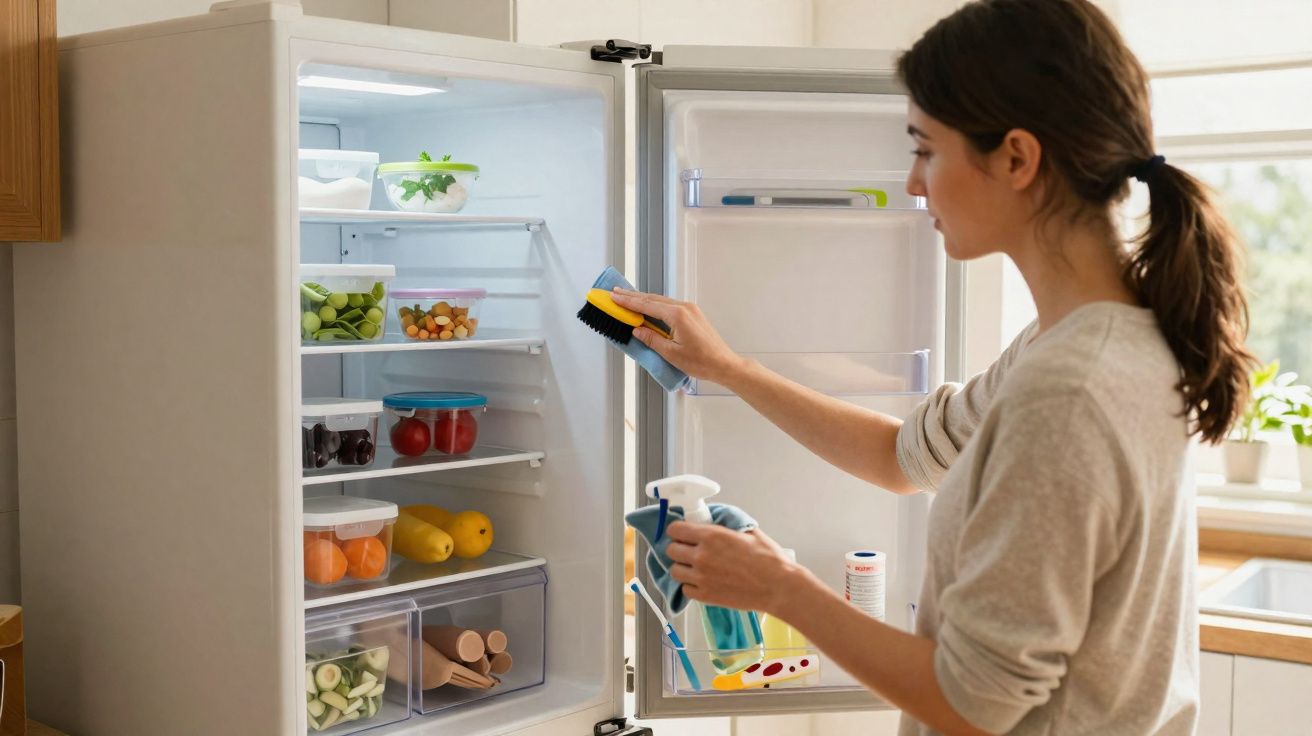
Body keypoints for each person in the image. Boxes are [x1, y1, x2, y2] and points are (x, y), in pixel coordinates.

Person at [609, 0, 1255, 733]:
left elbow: (972, 705)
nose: (915, 182)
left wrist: (780, 588)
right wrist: (728, 367)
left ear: (1016, 157)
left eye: (926, 148)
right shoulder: (1088, 341)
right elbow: (901, 456)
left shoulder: (1069, 388)